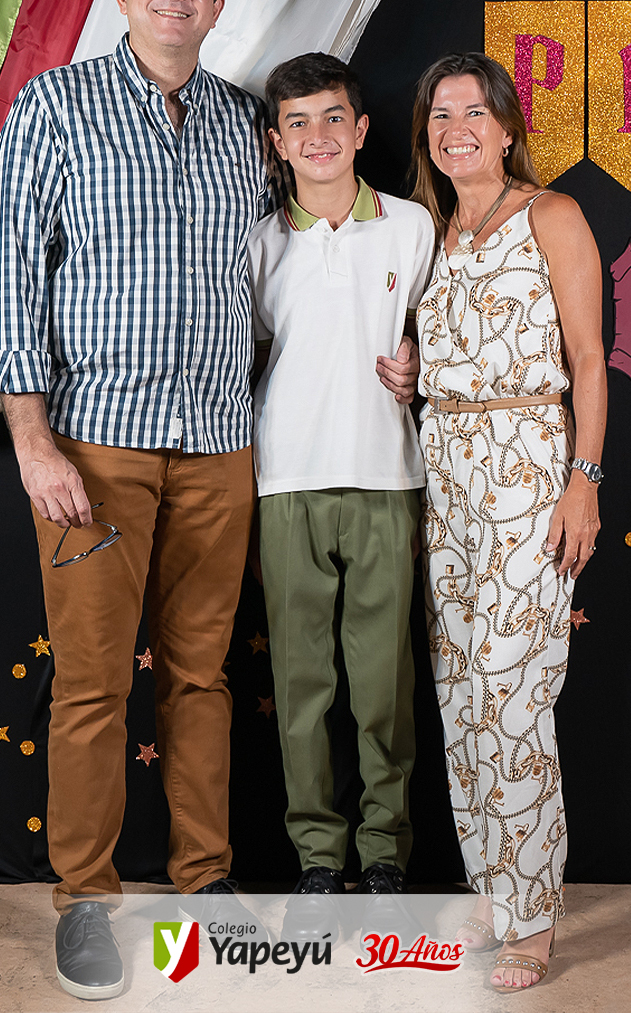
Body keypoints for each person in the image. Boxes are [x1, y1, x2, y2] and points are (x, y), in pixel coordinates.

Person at [0, 0, 275, 1001]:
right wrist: (30, 437)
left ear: (217, 4)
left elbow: (289, 263)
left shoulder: (246, 123)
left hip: (220, 443)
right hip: (93, 447)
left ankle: (205, 882)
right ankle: (86, 902)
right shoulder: (55, 105)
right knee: (95, 684)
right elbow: (9, 273)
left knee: (201, 676)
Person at [409, 53, 606, 992]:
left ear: (507, 125)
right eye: (441, 114)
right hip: (444, 475)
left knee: (514, 690)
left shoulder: (551, 214)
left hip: (528, 467)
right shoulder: (432, 230)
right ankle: (493, 883)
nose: (458, 128)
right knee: (461, 690)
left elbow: (590, 357)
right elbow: (446, 351)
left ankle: (534, 917)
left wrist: (585, 480)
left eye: (474, 111)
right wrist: (413, 376)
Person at [249, 53, 434, 938]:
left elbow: (442, 330)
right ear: (276, 142)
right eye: (298, 123)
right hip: (285, 479)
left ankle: (385, 852)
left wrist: (421, 362)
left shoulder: (410, 227)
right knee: (302, 683)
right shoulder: (257, 242)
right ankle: (319, 858)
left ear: (360, 131)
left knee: (384, 683)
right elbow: (242, 349)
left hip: (386, 475)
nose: (316, 136)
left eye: (332, 118)